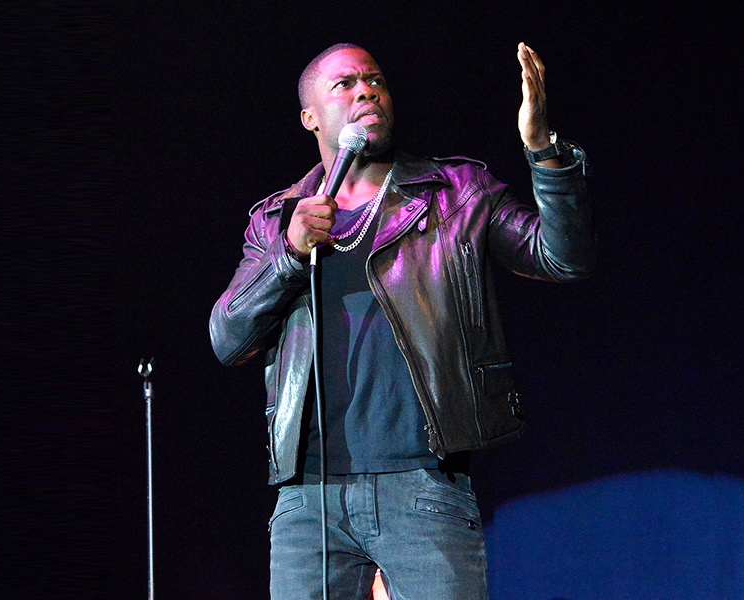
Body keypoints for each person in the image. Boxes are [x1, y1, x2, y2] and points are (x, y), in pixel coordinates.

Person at [207, 42, 594, 599]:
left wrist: (543, 151)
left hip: (423, 487)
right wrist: (288, 255)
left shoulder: (456, 192)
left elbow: (563, 258)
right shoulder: (277, 220)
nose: (366, 91)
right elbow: (227, 338)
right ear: (310, 117)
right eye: (345, 84)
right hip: (309, 500)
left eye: (376, 81)